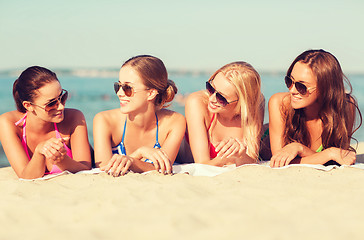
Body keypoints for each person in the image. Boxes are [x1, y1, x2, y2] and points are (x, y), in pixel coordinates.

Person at [93, 55, 185, 176]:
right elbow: (104, 169)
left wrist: (131, 161)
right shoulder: (104, 120)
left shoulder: (174, 122)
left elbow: (164, 168)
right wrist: (139, 153)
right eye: (118, 86)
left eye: (127, 88)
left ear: (151, 93)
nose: (119, 93)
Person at [269, 49, 362, 167]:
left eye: (301, 86)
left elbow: (340, 159)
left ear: (325, 89)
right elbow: (278, 162)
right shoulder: (280, 103)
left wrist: (300, 149)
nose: (292, 90)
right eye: (289, 81)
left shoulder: (346, 106)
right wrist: (329, 153)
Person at [0, 66, 92, 179]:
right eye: (51, 104)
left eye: (62, 97)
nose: (61, 106)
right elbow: (25, 176)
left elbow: (86, 169)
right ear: (28, 106)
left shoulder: (74, 118)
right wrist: (40, 151)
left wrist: (61, 160)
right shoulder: (9, 123)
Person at [182, 61, 265, 166]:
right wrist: (230, 157)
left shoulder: (255, 106)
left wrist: (241, 155)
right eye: (210, 88)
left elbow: (252, 161)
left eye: (221, 98)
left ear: (242, 102)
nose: (211, 99)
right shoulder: (197, 102)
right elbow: (202, 164)